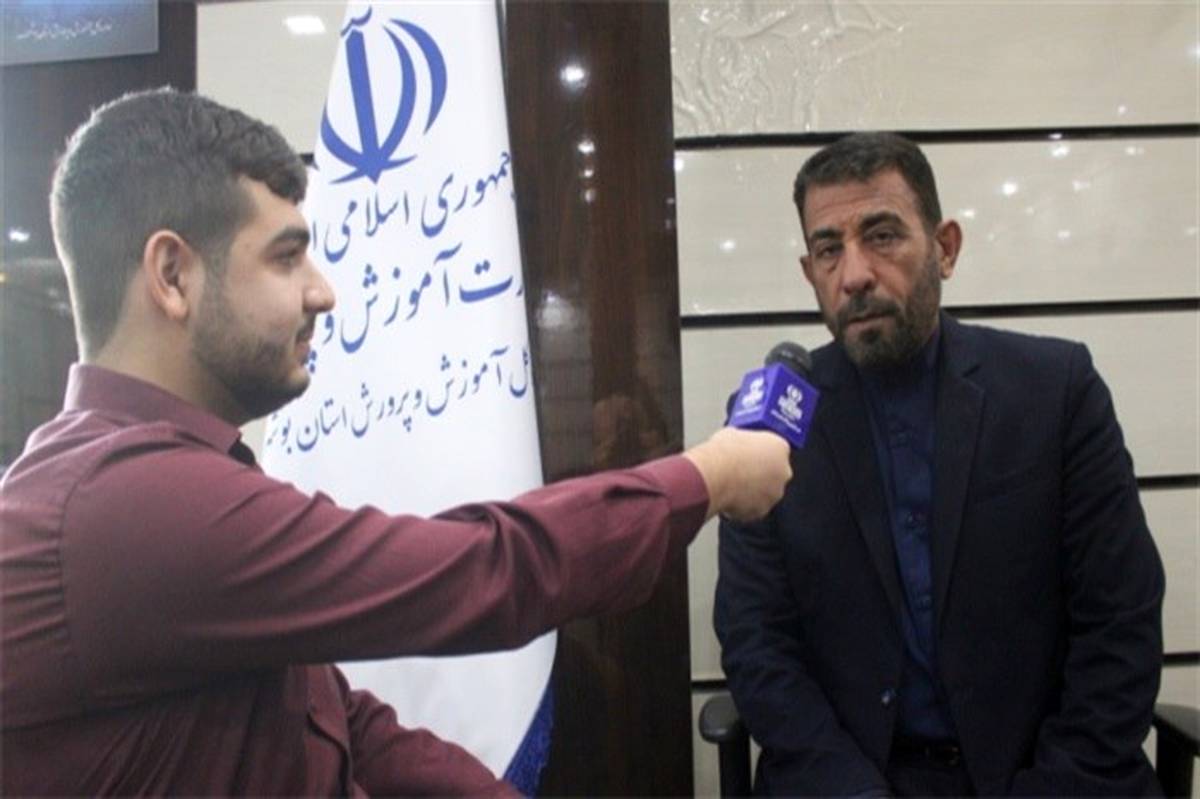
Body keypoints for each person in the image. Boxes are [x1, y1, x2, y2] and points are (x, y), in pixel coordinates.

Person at [0, 88, 792, 795]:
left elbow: (335, 716)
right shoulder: (121, 504)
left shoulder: (157, 479)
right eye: (286, 256)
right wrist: (709, 475)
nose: (323, 291)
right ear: (173, 275)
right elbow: (484, 570)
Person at [714, 132, 1165, 797]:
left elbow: (1121, 621)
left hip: (1042, 774)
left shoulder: (1057, 390)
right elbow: (757, 643)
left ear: (945, 248)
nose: (854, 274)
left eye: (882, 236)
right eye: (829, 249)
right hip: (854, 778)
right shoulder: (769, 426)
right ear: (810, 273)